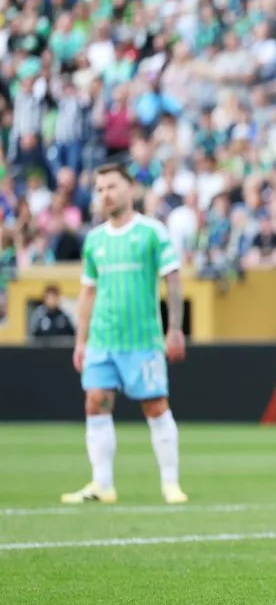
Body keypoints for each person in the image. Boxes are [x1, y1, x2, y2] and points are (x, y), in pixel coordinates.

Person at [62, 163, 189, 505]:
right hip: (103, 339)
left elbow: (172, 279)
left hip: (142, 340)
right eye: (100, 188)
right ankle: (102, 484)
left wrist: (174, 329)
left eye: (112, 187)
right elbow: (88, 293)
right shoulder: (94, 240)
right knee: (95, 403)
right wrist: (81, 341)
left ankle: (170, 483)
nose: (105, 194)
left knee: (155, 405)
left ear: (130, 189)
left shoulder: (152, 232)